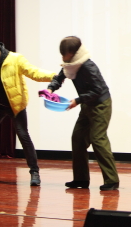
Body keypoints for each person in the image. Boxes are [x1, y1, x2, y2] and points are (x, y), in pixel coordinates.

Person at [0, 36, 56, 185]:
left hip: (15, 105)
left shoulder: (15, 59)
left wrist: (55, 76)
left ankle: (34, 172)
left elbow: (34, 72)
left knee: (23, 135)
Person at [47, 36, 120, 191]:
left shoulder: (88, 66)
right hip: (87, 104)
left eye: (65, 54)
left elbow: (97, 90)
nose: (63, 58)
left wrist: (78, 100)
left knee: (98, 139)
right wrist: (50, 89)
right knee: (78, 138)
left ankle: (112, 180)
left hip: (101, 105)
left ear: (73, 53)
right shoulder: (70, 65)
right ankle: (81, 179)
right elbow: (60, 77)